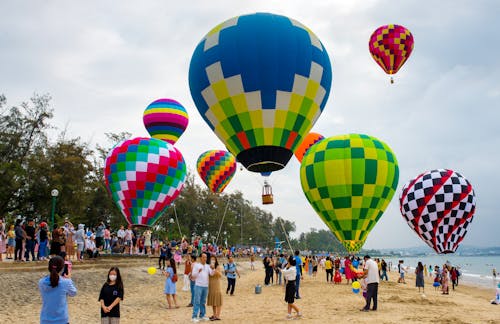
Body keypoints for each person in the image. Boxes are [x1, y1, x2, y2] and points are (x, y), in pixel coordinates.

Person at [39, 256, 77, 323]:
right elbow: (73, 293)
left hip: (45, 319)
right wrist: (69, 279)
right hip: (61, 319)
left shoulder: (41, 282)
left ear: (49, 267)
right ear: (62, 269)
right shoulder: (66, 282)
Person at [191, 253, 213, 322]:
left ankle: (202, 315)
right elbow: (193, 275)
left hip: (205, 286)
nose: (205, 259)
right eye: (203, 257)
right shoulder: (197, 265)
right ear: (200, 258)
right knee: (197, 301)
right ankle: (194, 316)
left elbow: (211, 274)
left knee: (203, 301)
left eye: (206, 257)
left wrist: (213, 269)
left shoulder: (207, 266)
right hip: (198, 285)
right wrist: (198, 271)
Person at [280, 255, 301, 320]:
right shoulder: (291, 267)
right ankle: (289, 314)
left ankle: (298, 311)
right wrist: (286, 267)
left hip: (292, 285)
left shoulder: (292, 269)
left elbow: (284, 272)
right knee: (289, 301)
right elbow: (286, 275)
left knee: (290, 302)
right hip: (289, 284)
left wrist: (283, 268)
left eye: (288, 260)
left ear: (290, 262)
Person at [207, 255, 223, 321]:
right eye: (211, 259)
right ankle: (214, 314)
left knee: (218, 300)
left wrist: (214, 269)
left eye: (214, 259)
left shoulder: (218, 267)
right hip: (211, 285)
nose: (213, 261)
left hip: (217, 285)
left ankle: (218, 315)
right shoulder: (208, 267)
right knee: (213, 300)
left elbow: (220, 275)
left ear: (216, 260)